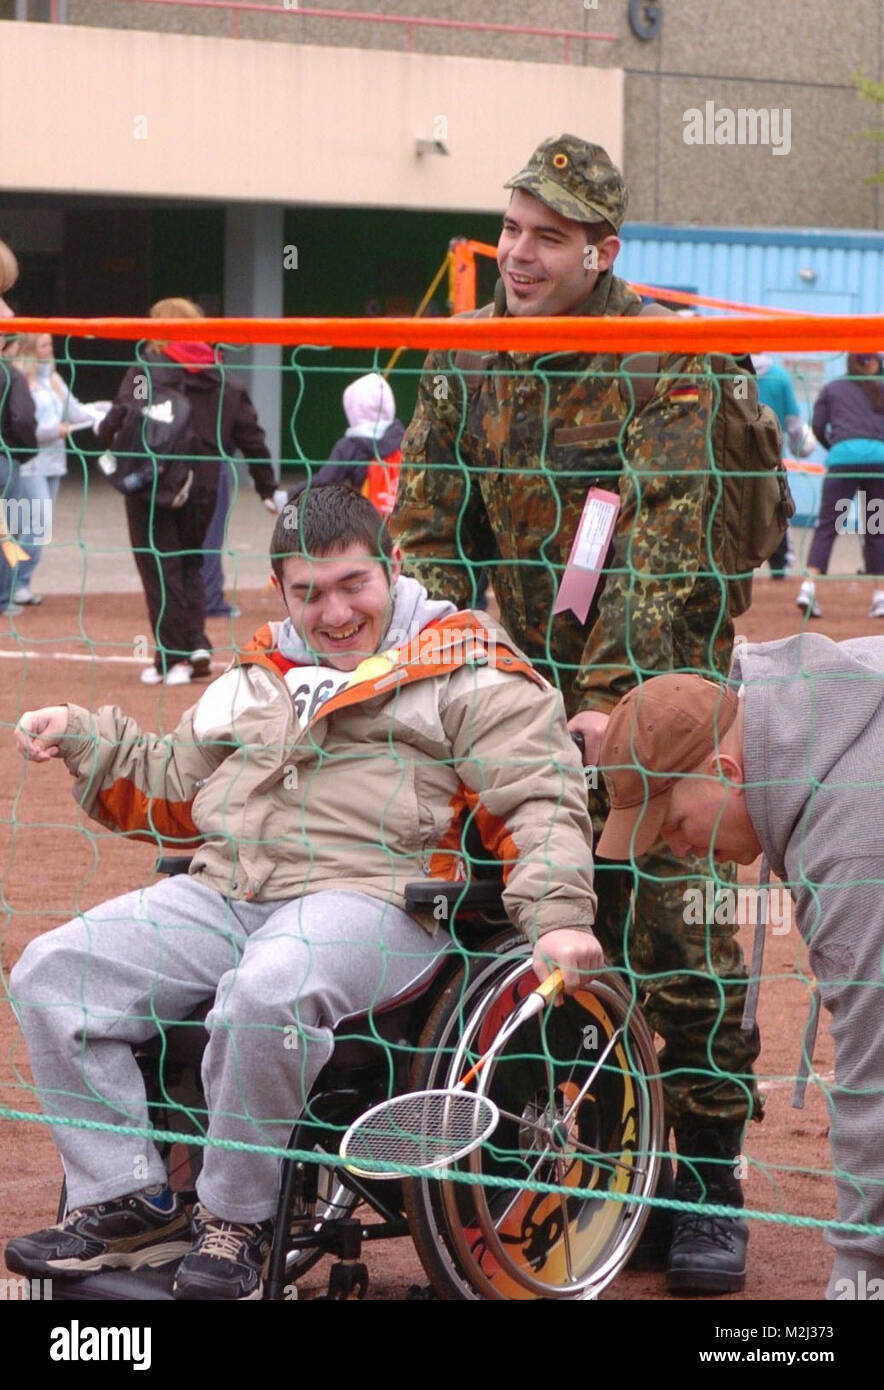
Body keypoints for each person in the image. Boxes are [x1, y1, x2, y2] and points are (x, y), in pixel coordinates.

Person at [6, 483, 600, 1301]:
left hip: (381, 901)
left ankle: (234, 1220)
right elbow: (175, 782)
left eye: (352, 584)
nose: (334, 612)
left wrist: (560, 919)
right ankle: (128, 1200)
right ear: (281, 591)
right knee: (51, 969)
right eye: (308, 593)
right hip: (231, 889)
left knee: (267, 990)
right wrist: (83, 735)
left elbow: (539, 797)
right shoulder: (259, 672)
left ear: (392, 566)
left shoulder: (467, 664)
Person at [391, 132, 763, 1295]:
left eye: (546, 236)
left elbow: (661, 563)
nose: (516, 252)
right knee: (517, 916)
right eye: (510, 229)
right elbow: (428, 529)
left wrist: (602, 713)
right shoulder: (471, 355)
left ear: (601, 250)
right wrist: (461, 672)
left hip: (657, 687)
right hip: (520, 678)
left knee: (666, 930)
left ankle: (704, 1180)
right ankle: (595, 1154)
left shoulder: (664, 358)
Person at [596, 641, 884, 1301]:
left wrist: (864, 1271)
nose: (676, 846)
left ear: (726, 769)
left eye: (669, 823)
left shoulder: (851, 838)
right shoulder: (808, 717)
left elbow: (876, 1070)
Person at [96, 297, 277, 685]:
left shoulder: (148, 369)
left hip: (155, 482)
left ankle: (171, 657)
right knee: (192, 562)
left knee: (160, 568)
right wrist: (267, 487)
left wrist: (103, 432)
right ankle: (195, 642)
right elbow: (251, 436)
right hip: (206, 484)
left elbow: (121, 416)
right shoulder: (224, 377)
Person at [5, 333, 98, 606]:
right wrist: (53, 431)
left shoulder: (54, 380)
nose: (50, 350)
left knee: (36, 527)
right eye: (44, 345)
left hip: (54, 462)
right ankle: (12, 584)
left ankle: (20, 583)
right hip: (28, 464)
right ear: (30, 349)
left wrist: (108, 412)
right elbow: (22, 426)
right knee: (31, 526)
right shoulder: (19, 381)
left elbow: (76, 411)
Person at [797, 353, 884, 620]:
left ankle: (808, 587)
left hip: (842, 462)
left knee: (828, 526)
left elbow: (818, 426)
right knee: (877, 528)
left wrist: (837, 447)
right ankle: (880, 596)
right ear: (876, 362)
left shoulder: (832, 388)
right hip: (879, 464)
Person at [750, 352, 817, 578]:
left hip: (739, 456)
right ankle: (780, 567)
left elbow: (738, 411)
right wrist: (804, 447)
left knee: (739, 509)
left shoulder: (738, 377)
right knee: (777, 510)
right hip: (772, 457)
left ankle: (737, 569)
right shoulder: (779, 377)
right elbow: (794, 424)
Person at [0, 240, 38, 617]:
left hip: (19, 460)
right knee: (13, 532)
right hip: (12, 459)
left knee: (16, 532)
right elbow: (24, 420)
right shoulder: (11, 374)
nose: (8, 313)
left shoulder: (21, 373)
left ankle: (13, 590)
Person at [312, 371, 405, 516]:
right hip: (403, 522)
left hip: (366, 523)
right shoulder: (406, 439)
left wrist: (288, 497)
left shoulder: (351, 446)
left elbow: (323, 482)